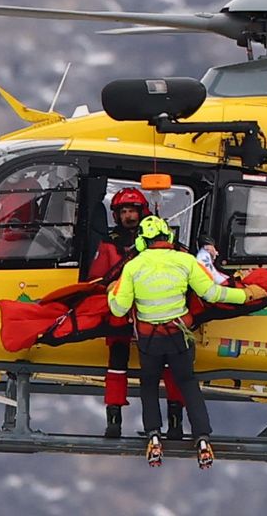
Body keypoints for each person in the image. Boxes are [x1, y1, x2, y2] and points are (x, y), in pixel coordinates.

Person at [108, 215, 267, 468]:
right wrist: (246, 295)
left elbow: (118, 309)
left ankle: (153, 434)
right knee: (187, 383)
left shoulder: (133, 267)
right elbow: (212, 293)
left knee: (149, 384)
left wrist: (112, 293)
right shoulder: (185, 261)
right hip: (179, 336)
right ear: (168, 237)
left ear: (141, 241)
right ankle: (202, 437)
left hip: (149, 341)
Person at [87, 188, 187, 439]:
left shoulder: (164, 245)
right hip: (123, 314)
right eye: (124, 212)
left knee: (170, 366)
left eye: (132, 211)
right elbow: (98, 277)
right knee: (116, 362)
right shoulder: (110, 244)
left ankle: (175, 421)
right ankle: (113, 419)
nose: (129, 216)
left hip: (153, 313)